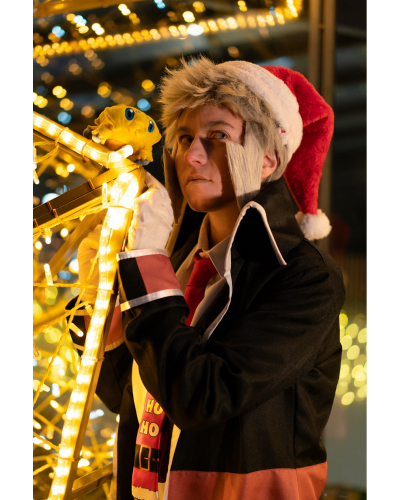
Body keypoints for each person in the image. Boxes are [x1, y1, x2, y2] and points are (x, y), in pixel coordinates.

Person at [70, 57, 345, 500]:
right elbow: (134, 395)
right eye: (184, 138)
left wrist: (145, 265)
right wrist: (96, 298)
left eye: (218, 136)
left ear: (267, 159)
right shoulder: (177, 263)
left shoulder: (304, 277)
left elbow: (200, 397)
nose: (192, 155)